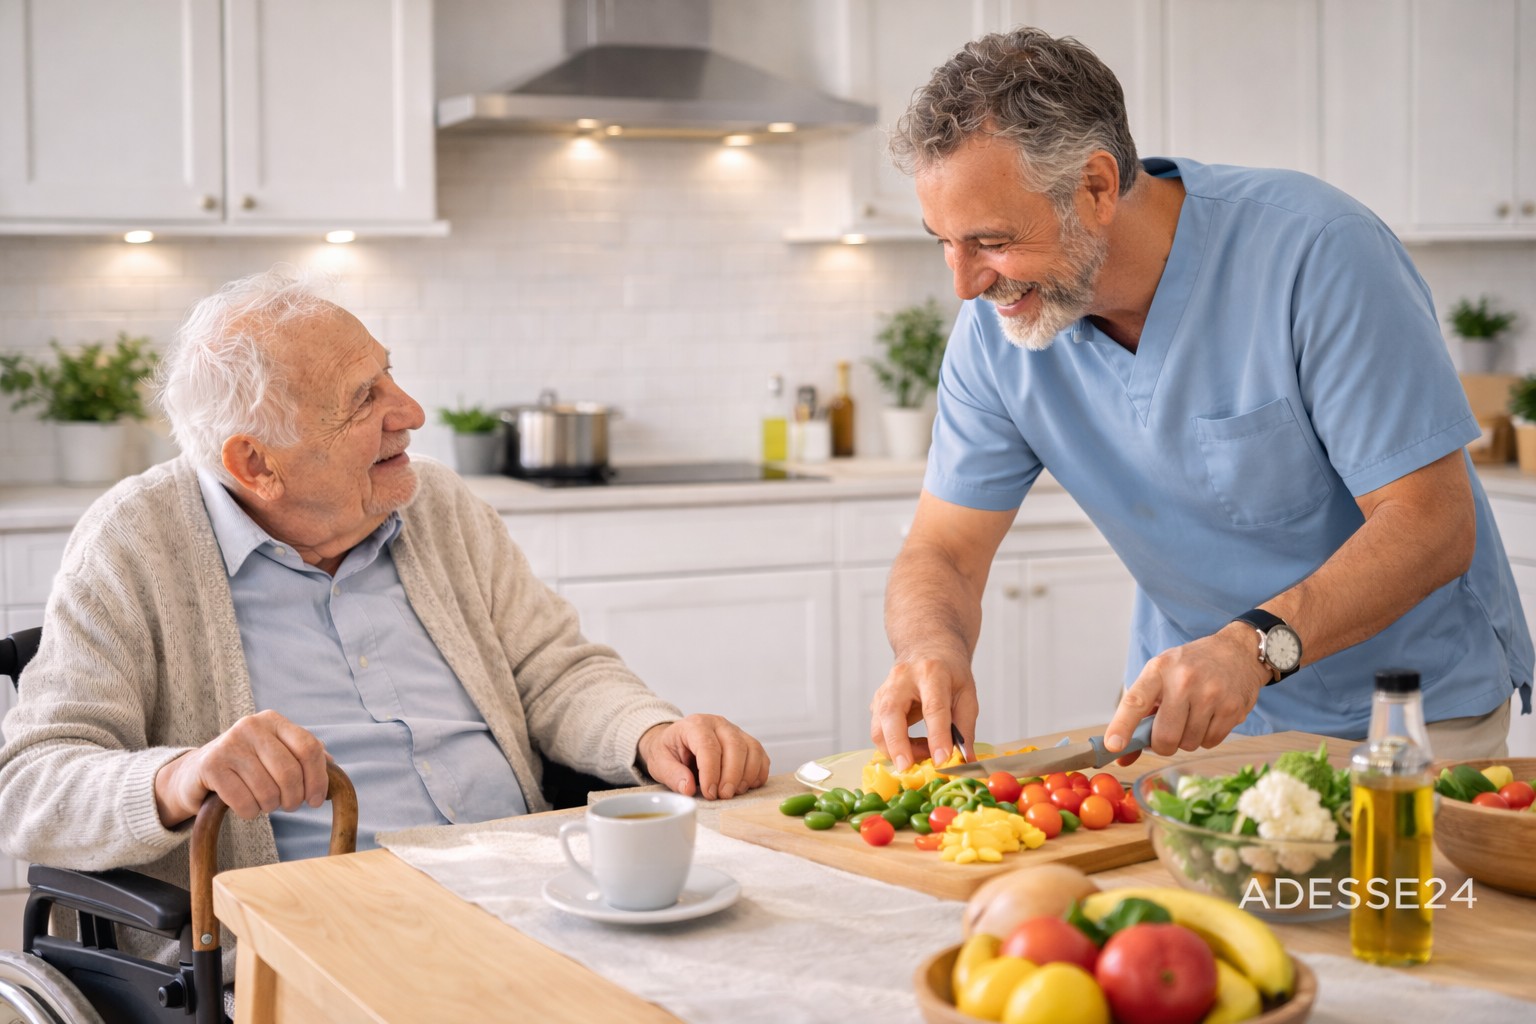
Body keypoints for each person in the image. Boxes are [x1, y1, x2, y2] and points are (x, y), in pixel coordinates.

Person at [0, 267, 769, 927]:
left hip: (536, 892)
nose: (411, 412)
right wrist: (178, 778)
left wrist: (647, 731)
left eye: (389, 375)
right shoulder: (136, 541)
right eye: (364, 399)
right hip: (323, 931)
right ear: (256, 463)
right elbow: (30, 786)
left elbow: (554, 670)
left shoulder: (436, 502)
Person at [868, 27, 1532, 769]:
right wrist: (930, 646)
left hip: (1407, 716)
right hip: (1189, 721)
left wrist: (1252, 649)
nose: (965, 283)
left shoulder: (1318, 251)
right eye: (943, 242)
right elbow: (946, 551)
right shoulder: (999, 330)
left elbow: (1431, 522)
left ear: (1095, 187)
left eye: (990, 241)